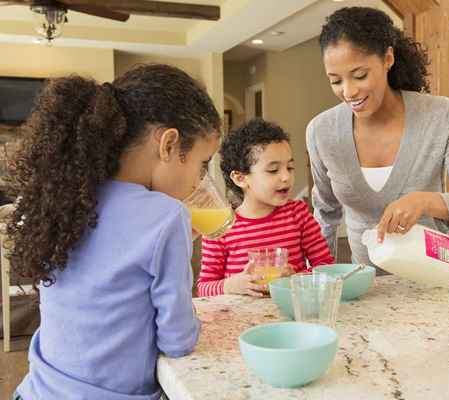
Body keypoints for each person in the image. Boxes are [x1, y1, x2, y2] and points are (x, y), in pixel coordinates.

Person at [7, 64, 222, 400]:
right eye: (202, 163)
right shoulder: (167, 217)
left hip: (36, 391)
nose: (198, 181)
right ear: (168, 144)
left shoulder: (68, 197)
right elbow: (177, 341)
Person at [307, 7, 449, 265]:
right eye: (335, 80)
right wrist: (323, 280)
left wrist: (424, 201)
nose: (348, 91)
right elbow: (325, 214)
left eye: (359, 75)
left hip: (436, 280)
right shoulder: (321, 131)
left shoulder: (442, 116)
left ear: (388, 58)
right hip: (366, 289)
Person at [198, 119, 334, 297]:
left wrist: (296, 279)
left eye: (290, 167)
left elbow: (327, 267)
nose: (286, 177)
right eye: (273, 170)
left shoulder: (298, 214)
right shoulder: (220, 227)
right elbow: (204, 288)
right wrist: (231, 285)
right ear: (240, 178)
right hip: (243, 320)